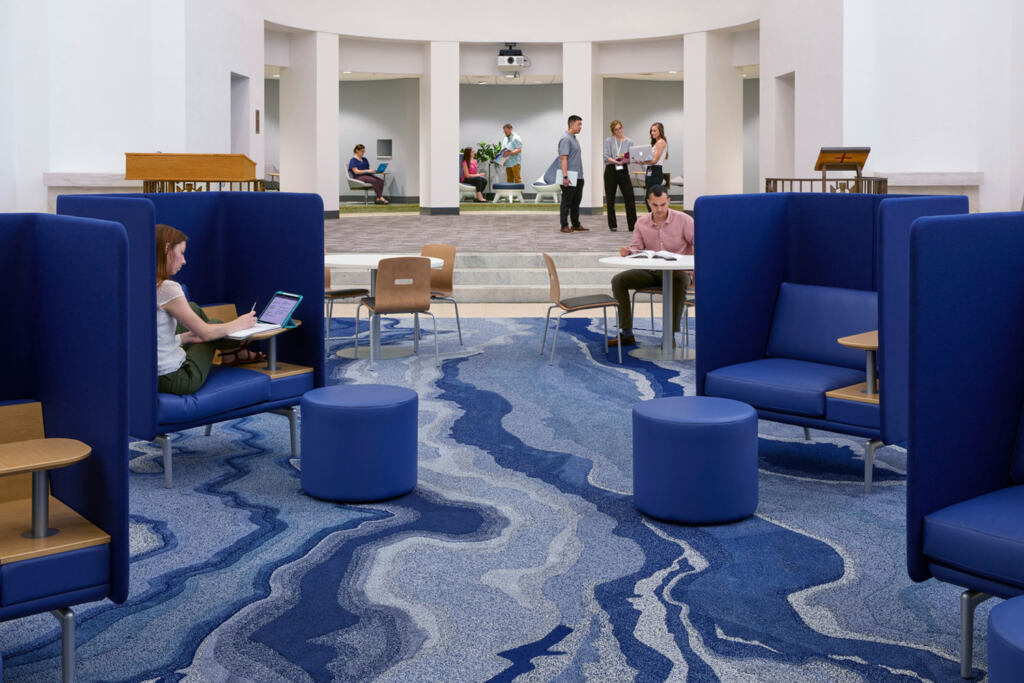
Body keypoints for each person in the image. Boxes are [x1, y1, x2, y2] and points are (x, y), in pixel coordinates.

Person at [155, 224, 264, 395]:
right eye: (181, 253)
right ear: (167, 249)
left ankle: (232, 349)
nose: (184, 261)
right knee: (212, 325)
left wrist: (185, 337)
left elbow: (155, 339)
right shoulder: (167, 288)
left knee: (193, 309)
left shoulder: (140, 282)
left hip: (153, 376)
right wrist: (239, 323)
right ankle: (236, 346)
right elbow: (206, 334)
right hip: (177, 379)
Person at [609, 185, 694, 347]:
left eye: (663, 204)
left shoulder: (684, 220)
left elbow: (700, 243)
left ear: (669, 201)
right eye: (655, 205)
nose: (659, 209)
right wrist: (628, 251)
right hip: (651, 272)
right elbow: (637, 249)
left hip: (677, 273)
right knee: (618, 281)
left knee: (679, 280)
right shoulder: (641, 223)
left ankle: (669, 336)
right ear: (648, 202)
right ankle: (627, 333)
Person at [603, 119, 637, 232]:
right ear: (613, 131)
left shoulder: (629, 141)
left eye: (620, 128)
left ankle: (633, 225)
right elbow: (606, 156)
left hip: (623, 169)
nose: (618, 131)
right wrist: (616, 162)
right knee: (610, 198)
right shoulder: (608, 141)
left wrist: (624, 161)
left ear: (622, 128)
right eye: (616, 130)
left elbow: (632, 157)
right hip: (611, 170)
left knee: (629, 197)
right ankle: (612, 225)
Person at [558, 114, 587, 233]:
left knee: (576, 202)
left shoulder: (574, 138)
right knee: (566, 202)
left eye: (581, 124)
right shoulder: (566, 139)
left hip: (578, 176)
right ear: (571, 124)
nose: (580, 127)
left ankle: (575, 224)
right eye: (578, 124)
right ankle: (564, 225)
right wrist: (565, 176)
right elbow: (563, 158)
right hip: (569, 176)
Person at [641, 122, 669, 211]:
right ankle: (652, 216)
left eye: (654, 131)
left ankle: (655, 216)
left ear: (660, 131)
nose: (652, 133)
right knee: (649, 197)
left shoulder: (661, 142)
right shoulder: (656, 143)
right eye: (651, 131)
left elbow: (655, 160)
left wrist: (641, 162)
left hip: (655, 171)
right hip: (650, 170)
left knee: (651, 197)